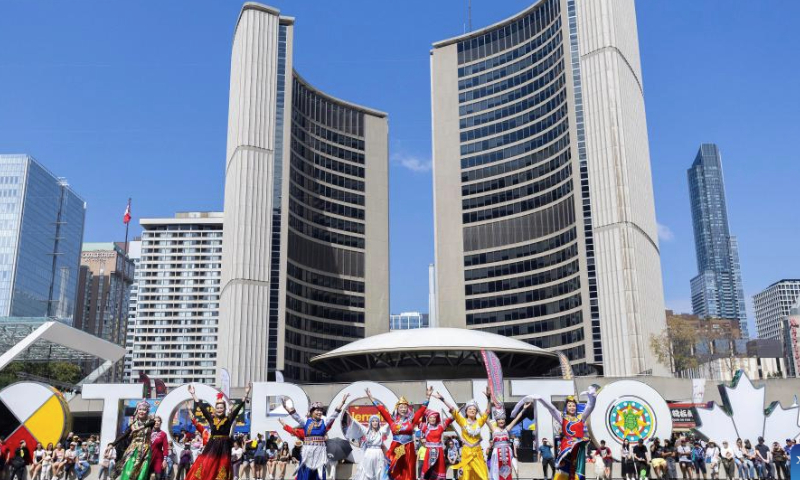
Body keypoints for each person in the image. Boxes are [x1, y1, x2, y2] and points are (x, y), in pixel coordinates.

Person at [514, 386, 597, 480]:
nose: (572, 407)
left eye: (573, 405)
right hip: (567, 447)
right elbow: (552, 409)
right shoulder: (563, 418)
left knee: (578, 471)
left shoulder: (581, 417)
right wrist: (541, 399)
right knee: (565, 470)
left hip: (578, 447)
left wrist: (592, 397)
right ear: (566, 407)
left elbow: (590, 407)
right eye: (569, 405)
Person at [185, 383, 252, 480]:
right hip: (212, 446)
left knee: (222, 470)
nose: (219, 409)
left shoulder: (228, 419)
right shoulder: (211, 419)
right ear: (215, 409)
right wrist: (193, 394)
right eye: (218, 408)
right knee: (206, 466)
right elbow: (202, 408)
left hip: (224, 447)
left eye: (221, 408)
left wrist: (246, 394)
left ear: (224, 409)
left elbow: (239, 407)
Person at [367, 387, 432, 480]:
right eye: (401, 407)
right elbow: (382, 410)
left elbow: (421, 411)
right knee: (395, 469)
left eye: (405, 407)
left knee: (408, 470)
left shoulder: (411, 421)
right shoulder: (392, 421)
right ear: (397, 409)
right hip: (397, 447)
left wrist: (428, 397)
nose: (403, 409)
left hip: (408, 448)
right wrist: (371, 398)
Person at [282, 394, 348, 480]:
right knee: (306, 474)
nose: (320, 412)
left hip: (320, 453)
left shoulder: (324, 422)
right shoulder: (306, 421)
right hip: (308, 453)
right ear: (312, 412)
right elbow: (296, 416)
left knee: (319, 475)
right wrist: (286, 407)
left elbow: (334, 415)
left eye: (321, 410)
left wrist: (342, 403)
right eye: (317, 410)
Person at [436, 388, 491, 480]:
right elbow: (453, 410)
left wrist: (489, 399)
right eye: (470, 409)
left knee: (484, 476)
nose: (472, 410)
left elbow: (487, 413)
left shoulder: (479, 422)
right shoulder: (462, 421)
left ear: (476, 412)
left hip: (477, 453)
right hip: (466, 452)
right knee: (466, 476)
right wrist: (443, 399)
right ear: (466, 411)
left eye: (474, 409)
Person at [113, 400, 155, 480]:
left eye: (144, 409)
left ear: (147, 411)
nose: (141, 411)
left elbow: (152, 422)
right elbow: (124, 435)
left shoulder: (150, 422)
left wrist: (141, 427)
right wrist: (112, 444)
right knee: (128, 471)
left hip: (145, 451)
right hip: (133, 451)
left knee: (142, 474)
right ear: (137, 411)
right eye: (140, 409)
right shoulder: (133, 424)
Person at [486, 404, 528, 480]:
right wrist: (487, 401)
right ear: (496, 421)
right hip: (497, 454)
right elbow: (485, 418)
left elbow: (516, 419)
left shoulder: (507, 429)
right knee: (496, 472)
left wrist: (523, 409)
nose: (501, 421)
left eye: (503, 419)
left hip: (507, 453)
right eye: (499, 419)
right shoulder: (494, 429)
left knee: (508, 472)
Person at [346, 414, 387, 480]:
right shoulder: (367, 431)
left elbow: (389, 424)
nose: (375, 423)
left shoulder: (381, 432)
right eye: (373, 421)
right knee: (366, 469)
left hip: (378, 453)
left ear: (378, 423)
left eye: (376, 421)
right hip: (369, 453)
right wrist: (351, 417)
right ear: (370, 423)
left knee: (379, 470)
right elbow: (358, 424)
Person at [417, 410, 454, 480]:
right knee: (428, 470)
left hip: (439, 452)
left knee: (439, 469)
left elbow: (450, 419)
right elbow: (415, 420)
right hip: (429, 452)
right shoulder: (425, 428)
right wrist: (423, 410)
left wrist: (454, 412)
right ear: (428, 419)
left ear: (436, 419)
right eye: (430, 418)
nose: (432, 419)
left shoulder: (440, 427)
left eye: (434, 417)